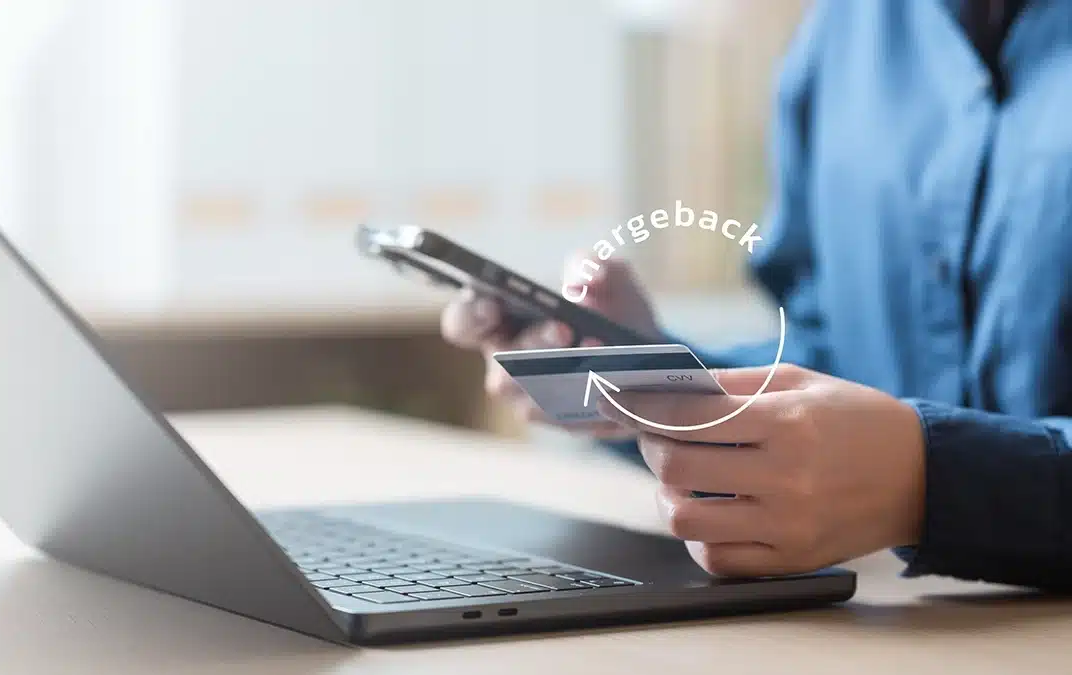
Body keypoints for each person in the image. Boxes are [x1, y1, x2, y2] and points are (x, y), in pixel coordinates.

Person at [442, 0, 1072, 591]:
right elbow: (834, 358)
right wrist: (651, 372)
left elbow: (899, 447)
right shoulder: (846, 28)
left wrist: (933, 481)